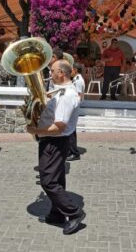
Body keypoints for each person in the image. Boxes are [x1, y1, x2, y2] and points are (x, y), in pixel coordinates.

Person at [27, 59, 86, 235]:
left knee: (49, 181)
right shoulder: (61, 92)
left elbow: (59, 126)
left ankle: (74, 213)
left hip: (54, 140)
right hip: (53, 140)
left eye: (52, 71)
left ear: (62, 73)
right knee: (57, 179)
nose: (49, 74)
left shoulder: (67, 96)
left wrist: (35, 129)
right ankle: (57, 214)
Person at [67, 62, 85, 161]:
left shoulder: (78, 81)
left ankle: (74, 153)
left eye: (72, 69)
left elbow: (78, 95)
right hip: (73, 106)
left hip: (73, 107)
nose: (70, 71)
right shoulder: (75, 79)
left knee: (71, 131)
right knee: (70, 130)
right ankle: (70, 151)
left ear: (76, 70)